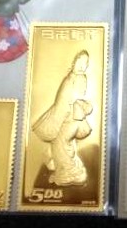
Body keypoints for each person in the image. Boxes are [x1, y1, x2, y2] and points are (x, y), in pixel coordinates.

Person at [32, 50, 93, 186]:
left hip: (72, 117)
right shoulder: (70, 78)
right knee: (60, 143)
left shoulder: (80, 79)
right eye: (80, 61)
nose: (82, 66)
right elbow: (61, 101)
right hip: (63, 116)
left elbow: (74, 100)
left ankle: (69, 173)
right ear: (74, 61)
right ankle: (61, 167)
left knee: (61, 143)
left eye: (86, 63)